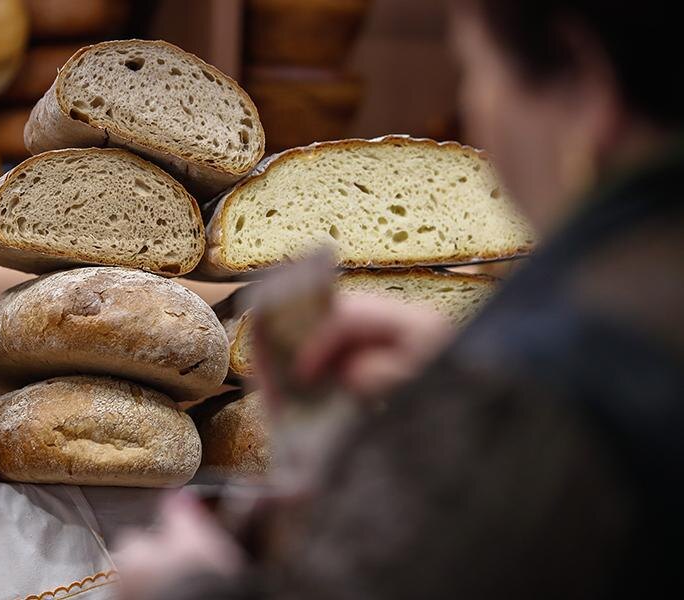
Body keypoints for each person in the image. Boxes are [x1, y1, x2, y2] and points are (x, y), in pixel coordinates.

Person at [117, 0, 684, 597]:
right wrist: (463, 375)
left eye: (476, 71)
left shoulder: (558, 371)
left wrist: (186, 586)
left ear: (581, 81)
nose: (472, 109)